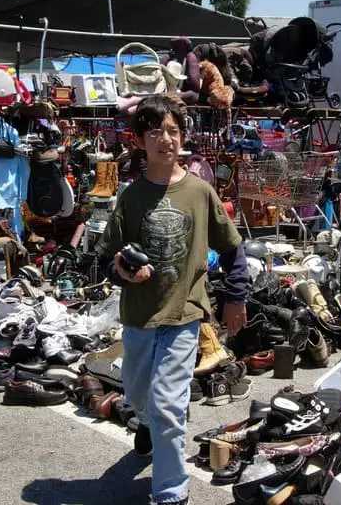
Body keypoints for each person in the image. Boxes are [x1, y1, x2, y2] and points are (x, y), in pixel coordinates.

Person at [95, 93, 249, 505]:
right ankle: (144, 423)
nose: (166, 139)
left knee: (167, 403)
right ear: (139, 140)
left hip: (185, 314)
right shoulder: (130, 196)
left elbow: (233, 249)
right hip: (139, 316)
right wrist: (122, 271)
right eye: (155, 132)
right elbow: (107, 260)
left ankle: (171, 492)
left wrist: (236, 297)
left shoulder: (200, 191)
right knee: (139, 394)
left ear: (182, 137)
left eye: (173, 131)